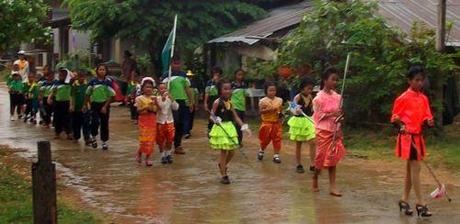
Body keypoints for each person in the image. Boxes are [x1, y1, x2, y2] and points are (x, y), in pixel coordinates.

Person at [391, 65, 434, 217]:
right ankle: (420, 202)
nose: (420, 83)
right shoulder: (402, 98)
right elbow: (395, 118)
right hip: (407, 138)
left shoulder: (424, 98)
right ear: (409, 81)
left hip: (418, 136)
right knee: (416, 168)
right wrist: (399, 123)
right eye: (416, 80)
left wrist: (428, 121)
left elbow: (427, 116)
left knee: (411, 170)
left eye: (421, 80)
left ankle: (404, 199)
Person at [312, 67, 345, 197]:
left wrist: (340, 122)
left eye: (336, 80)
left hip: (335, 130)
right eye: (332, 79)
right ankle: (315, 177)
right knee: (320, 159)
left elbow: (341, 115)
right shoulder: (318, 98)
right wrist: (332, 113)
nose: (335, 82)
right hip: (323, 130)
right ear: (325, 80)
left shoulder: (338, 97)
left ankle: (332, 186)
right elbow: (318, 116)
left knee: (333, 158)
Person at [209, 79, 250, 184]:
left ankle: (222, 165)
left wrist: (244, 127)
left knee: (232, 152)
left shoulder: (230, 103)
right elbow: (211, 115)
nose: (227, 91)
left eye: (229, 89)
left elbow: (236, 117)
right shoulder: (217, 102)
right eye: (225, 89)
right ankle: (224, 175)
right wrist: (215, 119)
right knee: (223, 151)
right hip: (221, 128)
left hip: (230, 127)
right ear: (220, 90)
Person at [161, 57, 194, 154]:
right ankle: (167, 144)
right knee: (172, 124)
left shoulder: (184, 75)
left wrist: (191, 102)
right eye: (175, 63)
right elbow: (162, 89)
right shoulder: (166, 75)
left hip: (182, 102)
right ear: (171, 64)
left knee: (180, 124)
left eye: (179, 63)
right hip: (170, 103)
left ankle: (178, 145)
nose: (177, 65)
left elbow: (188, 89)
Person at [288, 78, 316, 173]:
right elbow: (291, 108)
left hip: (308, 120)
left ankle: (313, 164)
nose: (310, 91)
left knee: (313, 141)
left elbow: (313, 109)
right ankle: (298, 164)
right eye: (308, 88)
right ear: (302, 88)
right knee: (298, 144)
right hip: (299, 122)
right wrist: (296, 110)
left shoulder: (311, 97)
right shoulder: (297, 97)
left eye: (311, 89)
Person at [85, 64, 115, 150]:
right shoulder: (92, 82)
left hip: (104, 105)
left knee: (104, 123)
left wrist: (105, 106)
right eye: (100, 69)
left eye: (103, 70)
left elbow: (111, 96)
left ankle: (104, 142)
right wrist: (86, 105)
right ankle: (94, 137)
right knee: (94, 122)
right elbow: (87, 94)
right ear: (97, 71)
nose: (102, 71)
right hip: (94, 105)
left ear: (106, 71)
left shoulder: (108, 82)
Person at [257, 81, 284, 163]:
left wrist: (281, 116)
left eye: (274, 90)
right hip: (267, 123)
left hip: (276, 123)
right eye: (270, 90)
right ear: (266, 91)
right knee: (265, 139)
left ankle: (276, 155)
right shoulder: (263, 101)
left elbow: (280, 110)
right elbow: (260, 112)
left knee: (277, 139)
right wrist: (269, 109)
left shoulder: (279, 100)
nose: (272, 92)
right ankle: (261, 150)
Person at [135, 77, 158, 166]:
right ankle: (139, 153)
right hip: (143, 120)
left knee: (151, 140)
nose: (148, 89)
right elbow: (138, 110)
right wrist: (146, 107)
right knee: (144, 139)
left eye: (150, 87)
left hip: (152, 119)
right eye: (146, 87)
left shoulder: (155, 98)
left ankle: (148, 158)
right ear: (142, 88)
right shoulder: (139, 98)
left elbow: (156, 110)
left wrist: (153, 106)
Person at [156, 82, 179, 164]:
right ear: (158, 90)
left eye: (164, 88)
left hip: (169, 121)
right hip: (160, 122)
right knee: (161, 140)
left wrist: (171, 98)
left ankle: (168, 154)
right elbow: (160, 108)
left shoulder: (169, 98)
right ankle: (162, 155)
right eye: (161, 88)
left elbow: (176, 107)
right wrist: (162, 98)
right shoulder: (157, 99)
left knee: (170, 139)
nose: (163, 90)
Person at [48, 68, 73, 139]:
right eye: (60, 75)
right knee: (57, 118)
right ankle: (57, 133)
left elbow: (74, 76)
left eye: (64, 75)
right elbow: (53, 92)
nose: (61, 77)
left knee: (67, 119)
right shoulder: (56, 83)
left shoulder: (69, 83)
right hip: (58, 103)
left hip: (66, 103)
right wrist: (49, 98)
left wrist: (71, 105)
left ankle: (68, 133)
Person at [71, 70, 91, 145]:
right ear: (77, 78)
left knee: (86, 123)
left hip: (85, 108)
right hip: (76, 107)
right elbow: (72, 96)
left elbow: (89, 95)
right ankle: (76, 137)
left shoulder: (88, 85)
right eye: (80, 77)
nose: (81, 79)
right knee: (76, 123)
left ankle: (87, 138)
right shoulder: (74, 85)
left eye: (83, 77)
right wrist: (72, 105)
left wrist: (90, 105)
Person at [231, 69, 248, 146]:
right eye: (239, 74)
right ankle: (234, 139)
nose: (240, 76)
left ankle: (239, 140)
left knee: (241, 124)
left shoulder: (244, 84)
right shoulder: (232, 84)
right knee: (235, 124)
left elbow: (245, 96)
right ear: (235, 75)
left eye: (242, 75)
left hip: (242, 107)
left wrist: (245, 106)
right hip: (234, 106)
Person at [204, 67, 221, 134]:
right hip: (211, 100)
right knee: (212, 115)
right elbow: (207, 92)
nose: (216, 74)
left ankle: (218, 129)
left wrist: (217, 82)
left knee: (219, 115)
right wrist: (205, 103)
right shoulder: (209, 82)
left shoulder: (221, 82)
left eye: (217, 73)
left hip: (219, 99)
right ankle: (210, 128)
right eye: (215, 73)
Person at [183, 70, 199, 139]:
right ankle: (186, 131)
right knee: (188, 117)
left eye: (190, 76)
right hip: (188, 103)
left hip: (189, 103)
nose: (190, 78)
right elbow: (196, 95)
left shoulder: (192, 85)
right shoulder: (187, 84)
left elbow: (196, 95)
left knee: (188, 117)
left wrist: (196, 104)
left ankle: (187, 130)